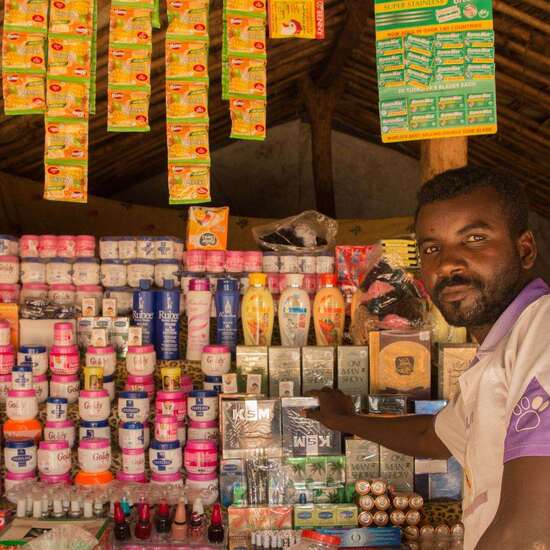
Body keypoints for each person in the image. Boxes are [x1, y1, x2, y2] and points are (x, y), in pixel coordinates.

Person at [306, 166, 550, 550]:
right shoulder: (497, 351)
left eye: (474, 238)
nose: (448, 264)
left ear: (524, 250)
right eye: (432, 248)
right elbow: (434, 435)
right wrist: (345, 420)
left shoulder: (543, 330)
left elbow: (529, 531)